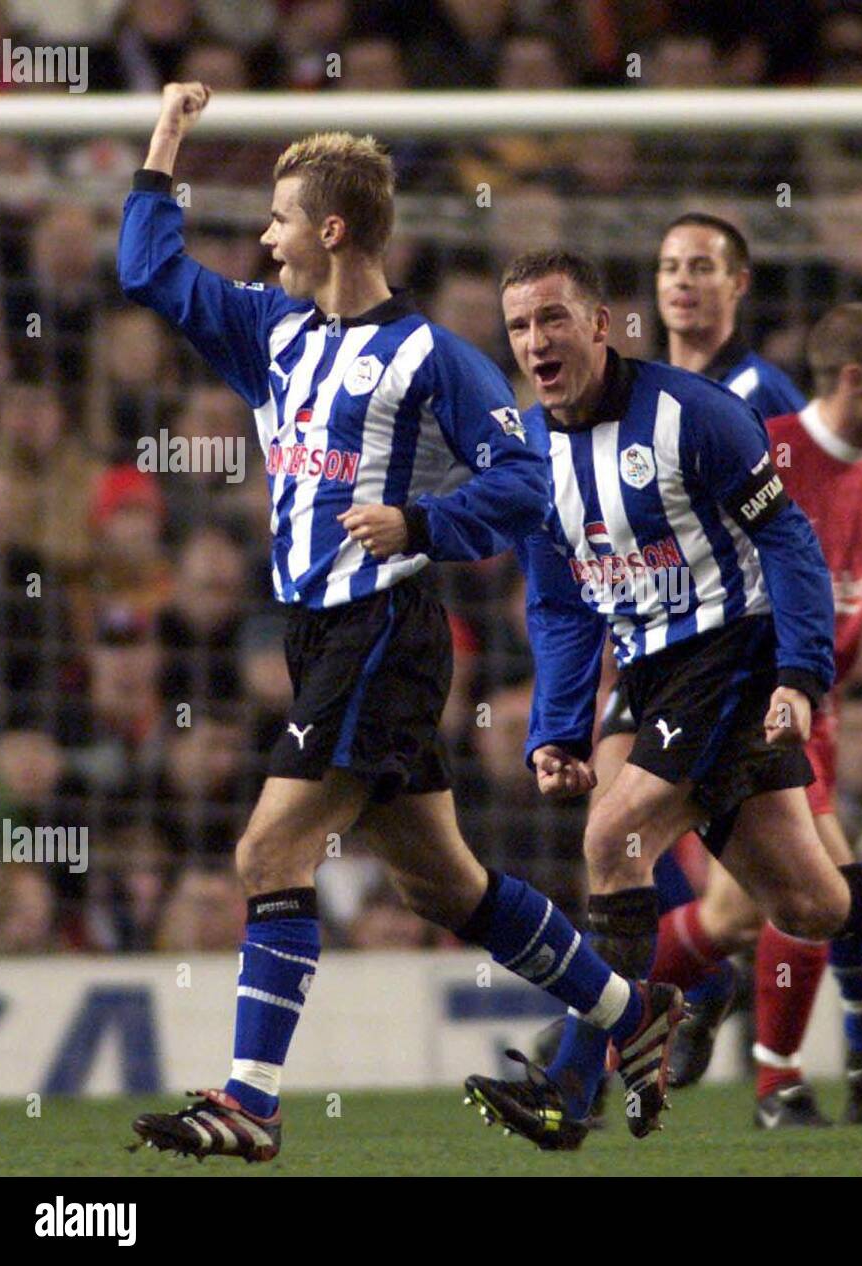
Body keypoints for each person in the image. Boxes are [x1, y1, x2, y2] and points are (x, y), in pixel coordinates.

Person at [117, 83, 682, 1163]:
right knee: (443, 883)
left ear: (330, 228)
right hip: (315, 636)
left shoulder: (432, 359)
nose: (265, 240)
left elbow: (525, 482)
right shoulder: (270, 329)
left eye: (279, 219)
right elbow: (145, 269)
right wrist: (169, 137)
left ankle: (253, 1102)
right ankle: (631, 1012)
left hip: (385, 629)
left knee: (269, 847)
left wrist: (424, 517)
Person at [465, 250, 862, 1152]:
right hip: (652, 676)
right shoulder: (530, 450)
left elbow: (788, 542)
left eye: (553, 319)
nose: (536, 341)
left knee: (613, 834)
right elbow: (561, 604)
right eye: (520, 325)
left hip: (731, 658)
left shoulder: (694, 414)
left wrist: (800, 674)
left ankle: (574, 1082)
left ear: (600, 324)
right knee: (810, 906)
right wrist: (557, 728)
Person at [641, 303, 862, 1127]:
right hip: (748, 703)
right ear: (857, 378)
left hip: (814, 708)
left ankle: (598, 1016)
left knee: (756, 908)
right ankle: (797, 1068)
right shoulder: (770, 450)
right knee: (814, 891)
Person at [588, 213, 806, 1081]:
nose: (683, 281)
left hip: (735, 645)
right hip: (647, 641)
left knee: (790, 885)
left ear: (737, 284)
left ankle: (598, 1047)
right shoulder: (635, 391)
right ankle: (694, 985)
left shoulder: (761, 391)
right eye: (670, 265)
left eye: (704, 266)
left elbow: (798, 526)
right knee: (614, 816)